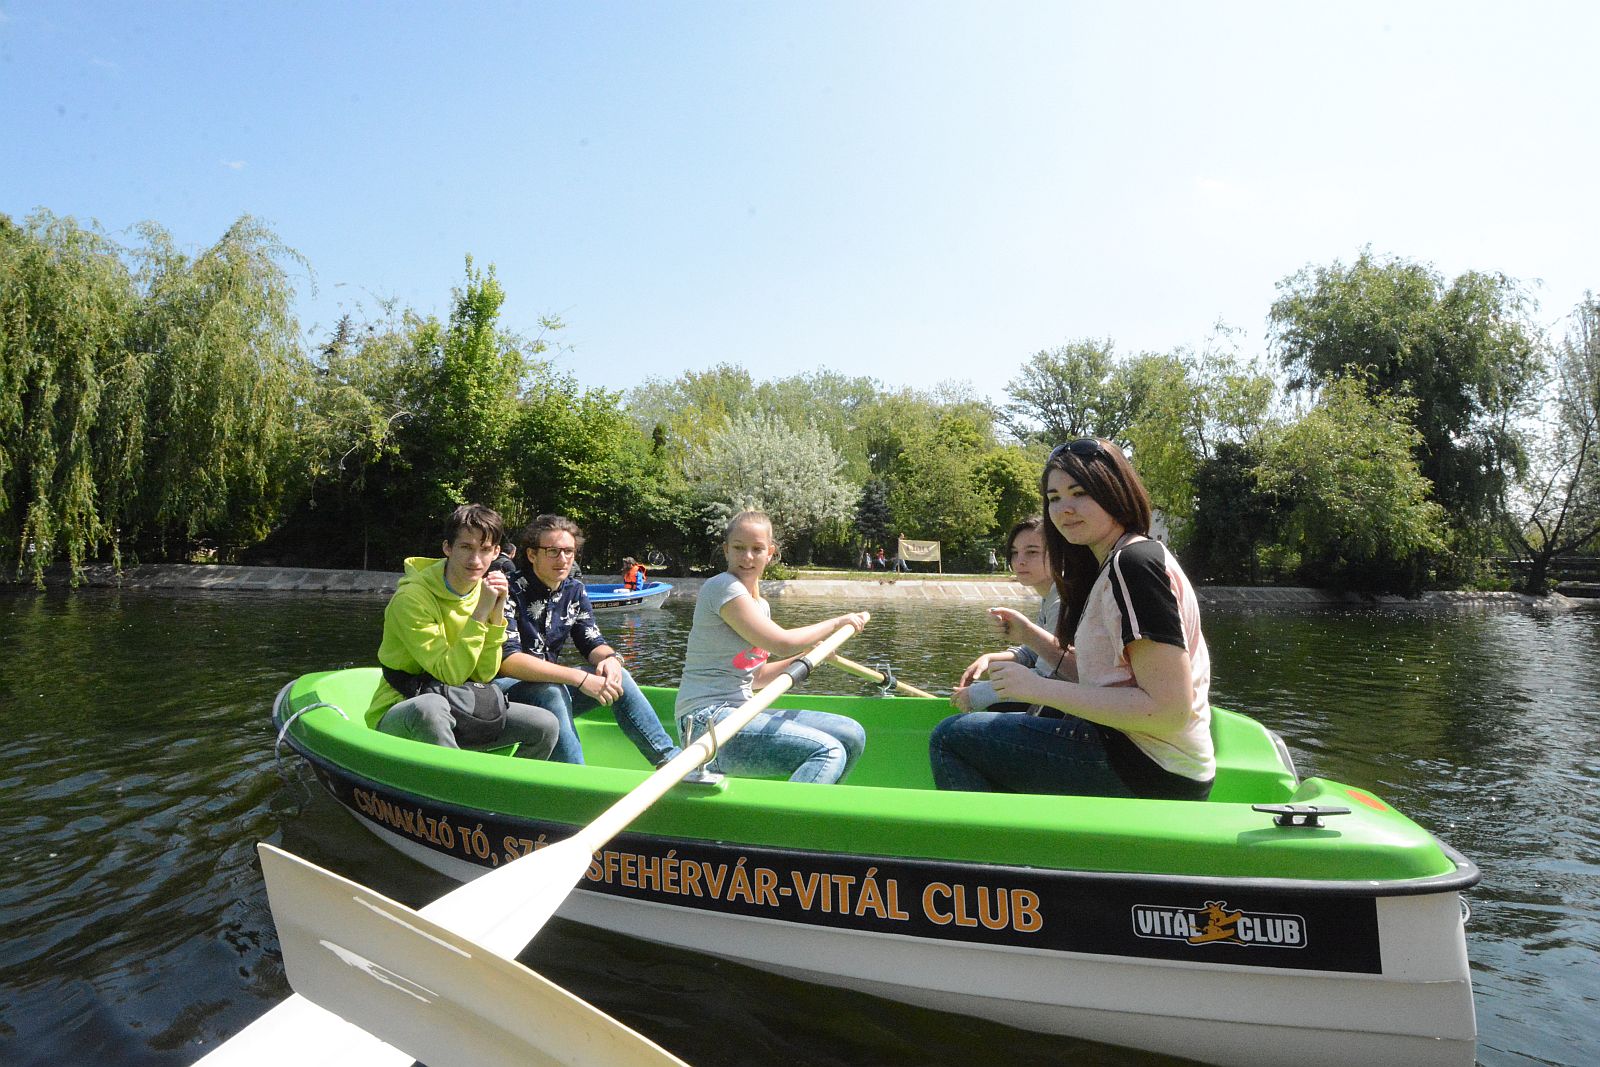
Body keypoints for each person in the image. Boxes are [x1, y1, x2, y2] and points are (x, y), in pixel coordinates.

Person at [929, 439, 1214, 800]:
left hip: (1150, 767)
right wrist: (1030, 635)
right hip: (1143, 755)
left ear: (1115, 491)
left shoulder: (1133, 566)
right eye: (1054, 498)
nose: (1065, 509)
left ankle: (984, 855)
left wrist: (1035, 688)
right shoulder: (1116, 562)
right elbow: (1106, 681)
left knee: (952, 738)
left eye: (1079, 492)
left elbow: (1168, 711)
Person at [675, 511, 868, 784]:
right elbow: (780, 643)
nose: (748, 557)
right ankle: (790, 824)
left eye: (757, 549)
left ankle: (815, 806)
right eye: (739, 548)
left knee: (851, 734)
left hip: (740, 711)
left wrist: (811, 656)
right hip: (706, 726)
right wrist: (837, 622)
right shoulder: (721, 587)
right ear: (726, 550)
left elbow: (756, 676)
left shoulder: (760, 606)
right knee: (828, 751)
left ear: (770, 553)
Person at [367, 504, 559, 759]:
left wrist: (497, 613)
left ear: (497, 552)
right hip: (403, 708)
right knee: (430, 708)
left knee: (544, 724)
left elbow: (484, 673)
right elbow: (451, 673)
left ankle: (506, 789)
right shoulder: (411, 599)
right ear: (448, 548)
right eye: (466, 547)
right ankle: (455, 786)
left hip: (459, 704)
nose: (475, 560)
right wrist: (481, 613)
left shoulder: (487, 592)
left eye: (485, 550)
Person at [496, 515, 681, 767]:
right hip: (504, 692)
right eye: (553, 551)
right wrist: (581, 678)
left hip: (549, 685)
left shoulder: (573, 590)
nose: (562, 560)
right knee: (551, 690)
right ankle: (577, 780)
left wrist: (611, 660)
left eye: (569, 552)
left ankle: (670, 761)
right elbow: (509, 661)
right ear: (531, 555)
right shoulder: (509, 590)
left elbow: (591, 639)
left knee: (618, 677)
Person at [951, 516, 1059, 713]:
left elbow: (1047, 676)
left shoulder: (1061, 602)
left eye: (1032, 552)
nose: (1020, 561)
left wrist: (976, 695)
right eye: (1014, 553)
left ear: (1059, 555)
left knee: (951, 732)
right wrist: (990, 658)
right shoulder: (1049, 597)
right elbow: (1036, 652)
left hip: (1066, 717)